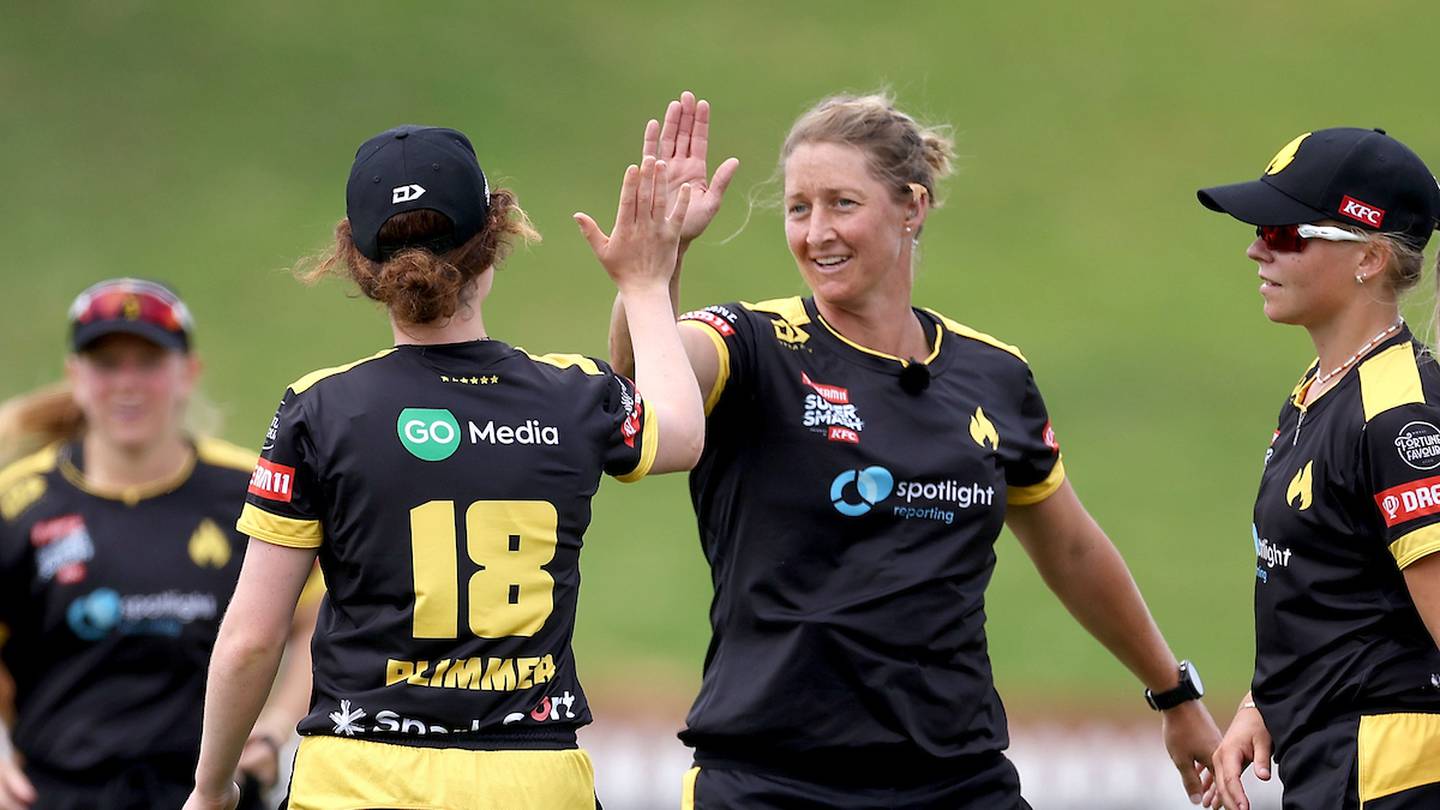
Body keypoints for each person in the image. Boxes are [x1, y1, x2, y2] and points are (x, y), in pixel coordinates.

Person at [608, 91, 1222, 809]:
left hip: (955, 780)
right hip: (769, 781)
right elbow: (640, 393)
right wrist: (657, 267)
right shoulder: (753, 345)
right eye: (798, 208)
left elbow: (1074, 553)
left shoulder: (994, 375)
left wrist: (1174, 693)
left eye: (841, 203)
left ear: (912, 207)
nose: (815, 232)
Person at [182, 124, 703, 810]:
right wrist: (645, 279)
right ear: (498, 236)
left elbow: (253, 640)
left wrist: (210, 786)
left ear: (357, 261)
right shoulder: (574, 393)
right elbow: (683, 432)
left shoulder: (320, 410)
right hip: (533, 784)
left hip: (358, 782)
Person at [0, 278, 317, 810]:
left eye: (148, 362)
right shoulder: (17, 502)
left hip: (209, 796)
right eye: (106, 363)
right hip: (58, 792)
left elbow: (319, 619)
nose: (128, 383)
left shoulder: (250, 490)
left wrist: (275, 729)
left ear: (188, 372)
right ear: (75, 376)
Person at [1197, 128, 1440, 810]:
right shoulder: (1320, 390)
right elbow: (1336, 586)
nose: (1255, 247)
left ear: (1368, 257)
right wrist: (1263, 700)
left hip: (1394, 779)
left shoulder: (1398, 416)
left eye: (1284, 232)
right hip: (1337, 770)